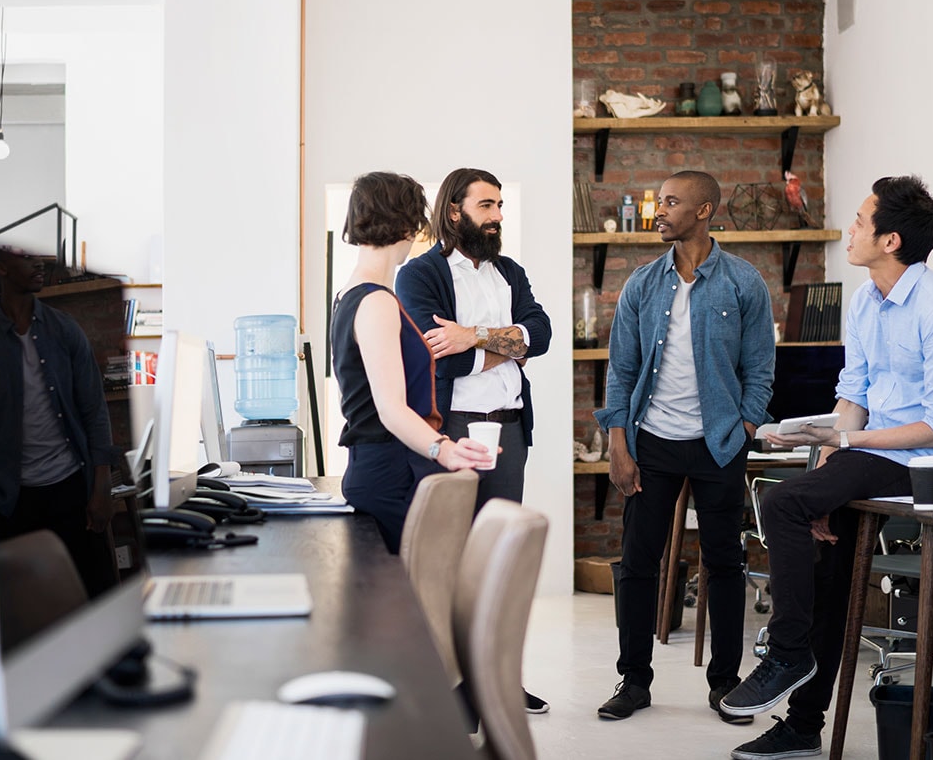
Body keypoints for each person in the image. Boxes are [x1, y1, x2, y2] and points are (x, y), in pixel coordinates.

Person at [721, 176, 933, 760]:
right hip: (868, 452)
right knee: (827, 573)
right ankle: (803, 728)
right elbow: (853, 393)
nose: (850, 230)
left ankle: (787, 653)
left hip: (924, 463)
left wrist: (845, 448)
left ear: (890, 240)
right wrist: (828, 465)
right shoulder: (864, 300)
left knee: (781, 502)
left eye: (861, 222)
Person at [593, 171, 776, 726]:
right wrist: (619, 446)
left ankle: (725, 684)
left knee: (725, 562)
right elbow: (620, 373)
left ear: (704, 210)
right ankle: (634, 679)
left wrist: (744, 427)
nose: (660, 210)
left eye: (671, 202)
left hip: (720, 444)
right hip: (652, 442)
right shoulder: (643, 285)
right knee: (637, 564)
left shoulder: (744, 283)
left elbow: (761, 370)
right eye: (660, 201)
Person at [395, 166, 554, 714]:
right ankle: (452, 685)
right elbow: (434, 352)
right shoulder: (419, 275)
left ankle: (498, 679)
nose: (498, 216)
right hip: (451, 430)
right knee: (450, 561)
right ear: (455, 209)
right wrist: (506, 346)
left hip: (509, 428)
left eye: (500, 205)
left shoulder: (509, 271)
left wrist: (474, 336)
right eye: (487, 206)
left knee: (498, 560)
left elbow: (543, 333)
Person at [330, 171, 491, 554]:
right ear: (406, 224)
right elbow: (390, 409)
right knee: (411, 604)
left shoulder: (349, 296)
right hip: (390, 473)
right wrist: (445, 449)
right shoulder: (376, 302)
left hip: (377, 467)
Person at [0, 245, 119, 599]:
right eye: (26, 256)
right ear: (0, 266)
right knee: (30, 610)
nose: (39, 262)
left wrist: (101, 485)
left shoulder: (64, 330)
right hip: (12, 500)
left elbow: (94, 409)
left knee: (94, 595)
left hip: (70, 487)